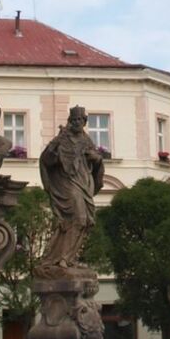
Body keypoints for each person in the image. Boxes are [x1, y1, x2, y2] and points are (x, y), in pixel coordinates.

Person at [38, 107, 106, 273]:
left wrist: (97, 159)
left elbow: (96, 160)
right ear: (70, 121)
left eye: (79, 120)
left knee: (85, 221)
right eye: (73, 120)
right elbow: (46, 160)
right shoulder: (62, 138)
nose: (76, 122)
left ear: (84, 121)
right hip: (67, 182)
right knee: (79, 218)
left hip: (84, 182)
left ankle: (69, 258)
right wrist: (55, 146)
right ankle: (60, 258)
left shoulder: (87, 140)